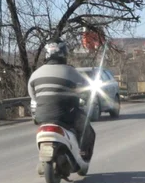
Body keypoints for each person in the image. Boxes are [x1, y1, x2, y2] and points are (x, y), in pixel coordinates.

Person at [28, 38, 96, 167]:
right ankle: (83, 154)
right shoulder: (71, 71)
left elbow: (33, 96)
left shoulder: (35, 74)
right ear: (64, 53)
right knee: (87, 130)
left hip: (41, 116)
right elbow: (86, 89)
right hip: (66, 114)